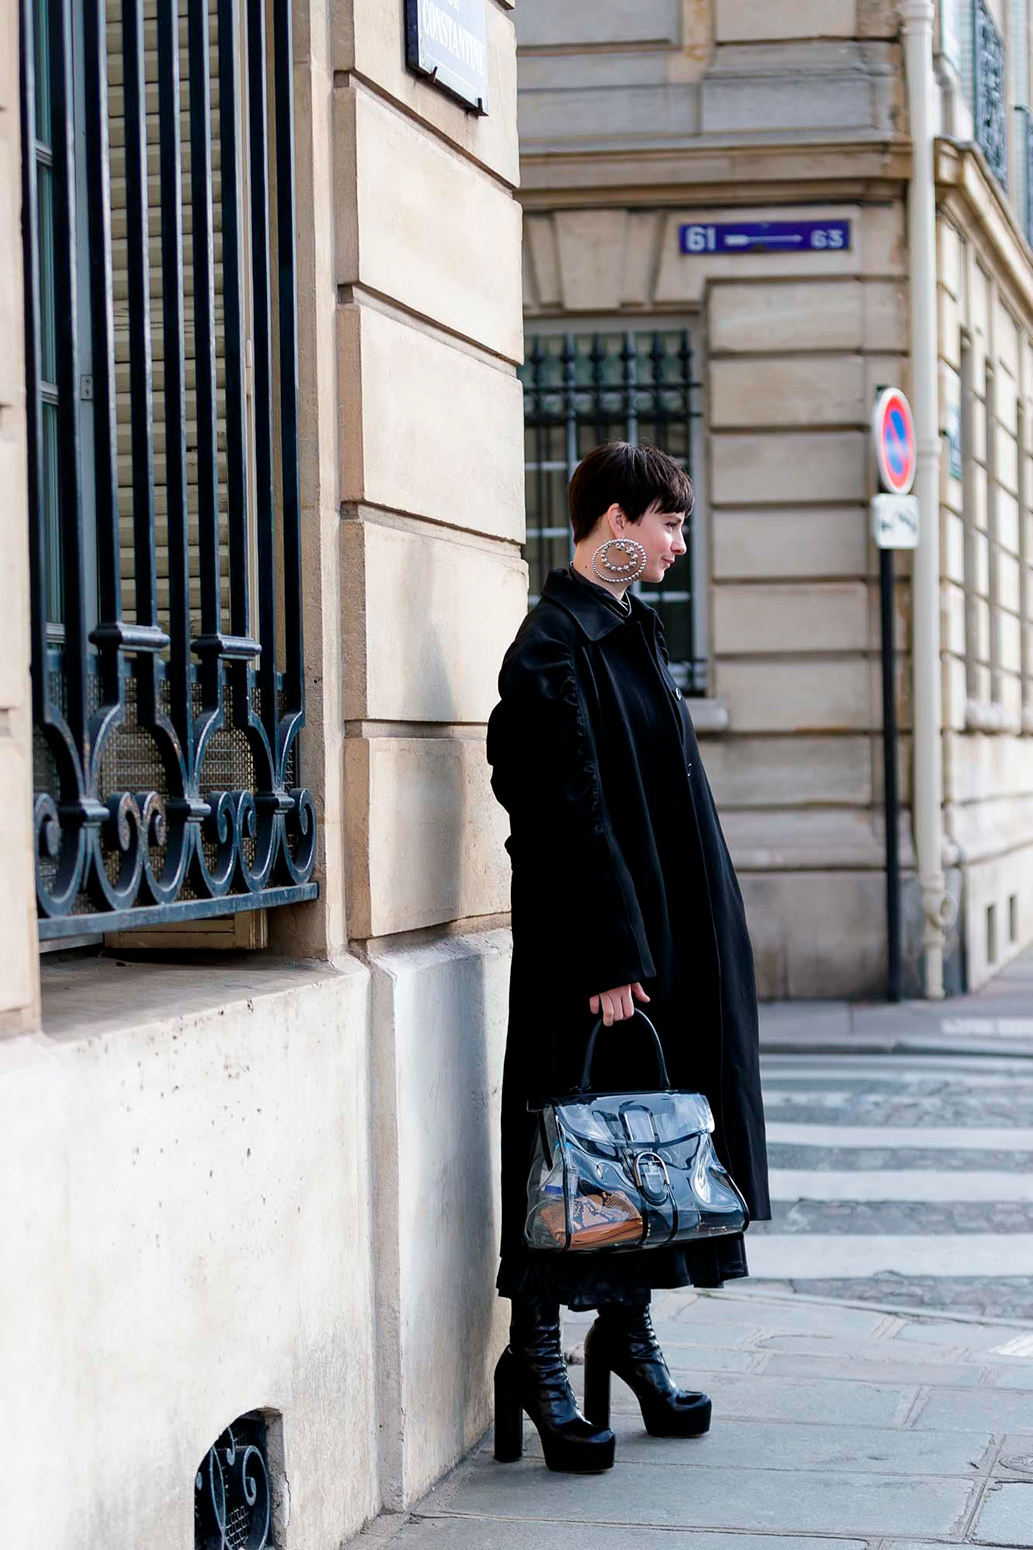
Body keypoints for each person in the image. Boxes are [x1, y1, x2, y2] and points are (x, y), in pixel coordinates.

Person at [486, 442, 770, 1473]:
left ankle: (627, 1336)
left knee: (640, 1142)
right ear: (617, 520)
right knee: (565, 1141)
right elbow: (559, 810)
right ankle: (534, 1357)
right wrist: (607, 951)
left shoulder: (630, 627)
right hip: (592, 952)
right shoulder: (550, 644)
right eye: (668, 524)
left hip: (662, 941)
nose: (677, 543)